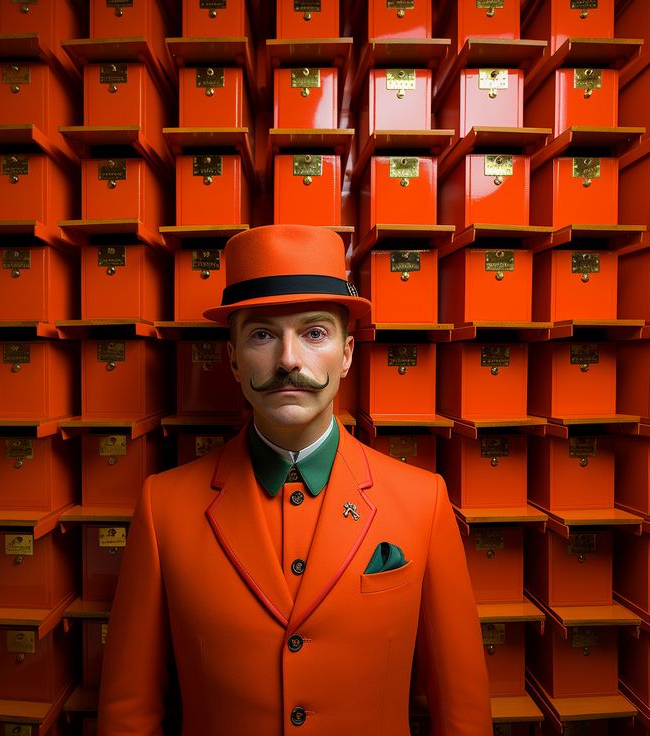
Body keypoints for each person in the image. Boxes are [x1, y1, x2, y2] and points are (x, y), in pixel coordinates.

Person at [97, 224, 492, 735]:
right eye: (262, 334)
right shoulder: (163, 507)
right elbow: (129, 710)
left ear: (347, 354)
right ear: (234, 358)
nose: (288, 359)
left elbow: (462, 709)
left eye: (314, 333)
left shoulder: (424, 501)